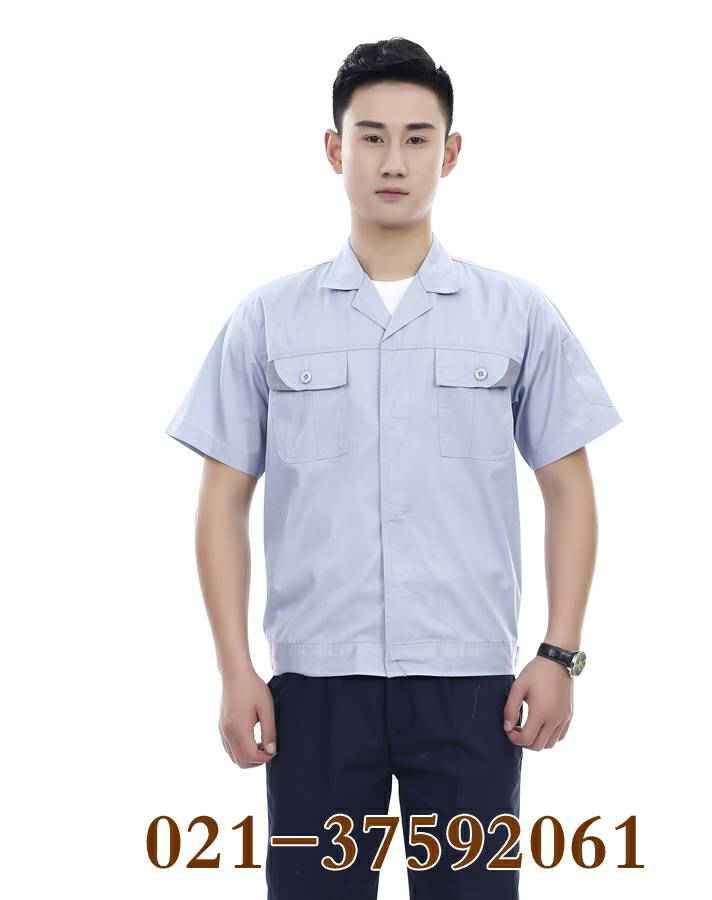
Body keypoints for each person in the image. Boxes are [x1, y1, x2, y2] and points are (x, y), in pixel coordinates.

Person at [166, 36, 622, 900]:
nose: (393, 161)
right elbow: (221, 502)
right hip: (314, 687)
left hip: (470, 686)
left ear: (450, 153)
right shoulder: (268, 320)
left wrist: (559, 653)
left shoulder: (516, 315)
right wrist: (234, 669)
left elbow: (569, 488)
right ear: (334, 149)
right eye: (370, 137)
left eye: (418, 138)